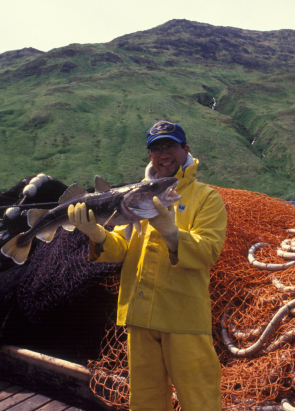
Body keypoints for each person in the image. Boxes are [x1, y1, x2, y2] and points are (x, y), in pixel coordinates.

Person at [68, 120, 227, 411]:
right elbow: (120, 249)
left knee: (200, 399)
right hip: (139, 316)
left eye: (169, 145)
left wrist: (172, 232)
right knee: (145, 400)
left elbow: (209, 252)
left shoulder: (207, 197)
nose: (163, 153)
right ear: (149, 156)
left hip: (185, 318)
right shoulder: (134, 194)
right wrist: (96, 233)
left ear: (185, 149)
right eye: (156, 148)